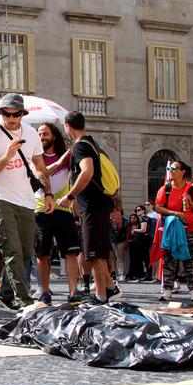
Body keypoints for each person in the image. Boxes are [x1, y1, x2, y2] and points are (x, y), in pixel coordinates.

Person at [0, 93, 53, 310]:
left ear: (22, 114)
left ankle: (6, 292)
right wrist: (7, 155)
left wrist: (47, 193)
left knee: (27, 251)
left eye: (15, 114)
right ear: (1, 114)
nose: (11, 118)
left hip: (26, 200)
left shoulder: (31, 134)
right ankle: (24, 301)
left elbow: (40, 165)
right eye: (7, 114)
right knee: (12, 251)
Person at [57, 111, 122, 304]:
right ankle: (110, 288)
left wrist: (70, 196)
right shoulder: (91, 143)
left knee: (94, 253)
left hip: (93, 205)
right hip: (98, 204)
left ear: (68, 127)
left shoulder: (81, 147)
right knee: (97, 249)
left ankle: (101, 296)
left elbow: (87, 172)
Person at [33, 122, 83, 305]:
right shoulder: (34, 158)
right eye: (38, 134)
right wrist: (60, 162)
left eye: (44, 133)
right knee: (42, 254)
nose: (41, 137)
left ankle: (73, 292)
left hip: (64, 210)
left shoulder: (68, 157)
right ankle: (45, 291)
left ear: (54, 136)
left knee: (71, 253)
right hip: (41, 210)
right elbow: (42, 175)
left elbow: (80, 177)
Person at [154, 160, 193, 301]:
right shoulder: (165, 189)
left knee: (191, 260)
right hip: (173, 229)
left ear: (183, 172)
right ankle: (167, 290)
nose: (170, 170)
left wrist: (191, 202)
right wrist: (176, 214)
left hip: (191, 229)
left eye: (174, 168)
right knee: (169, 259)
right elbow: (158, 207)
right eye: (169, 168)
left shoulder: (192, 189)